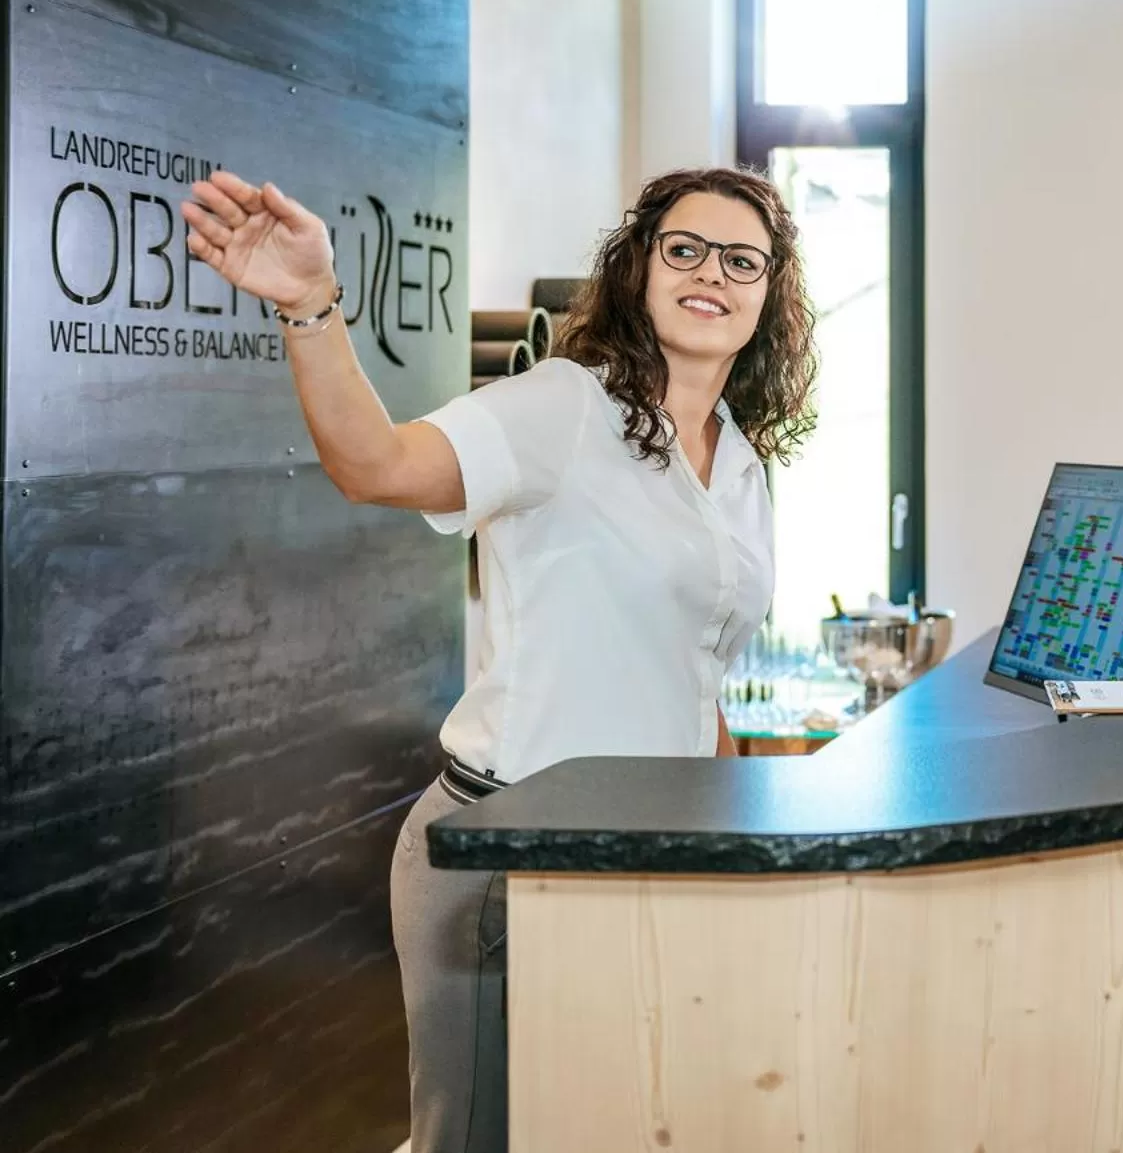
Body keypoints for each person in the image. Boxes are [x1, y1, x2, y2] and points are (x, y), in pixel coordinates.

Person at [180, 166, 817, 1153]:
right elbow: (375, 463)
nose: (711, 274)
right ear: (640, 268)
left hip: (638, 855)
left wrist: (727, 835)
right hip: (501, 854)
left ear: (770, 294)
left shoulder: (738, 458)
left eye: (743, 261)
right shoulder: (563, 407)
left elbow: (693, 674)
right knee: (474, 1140)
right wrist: (310, 302)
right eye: (684, 249)